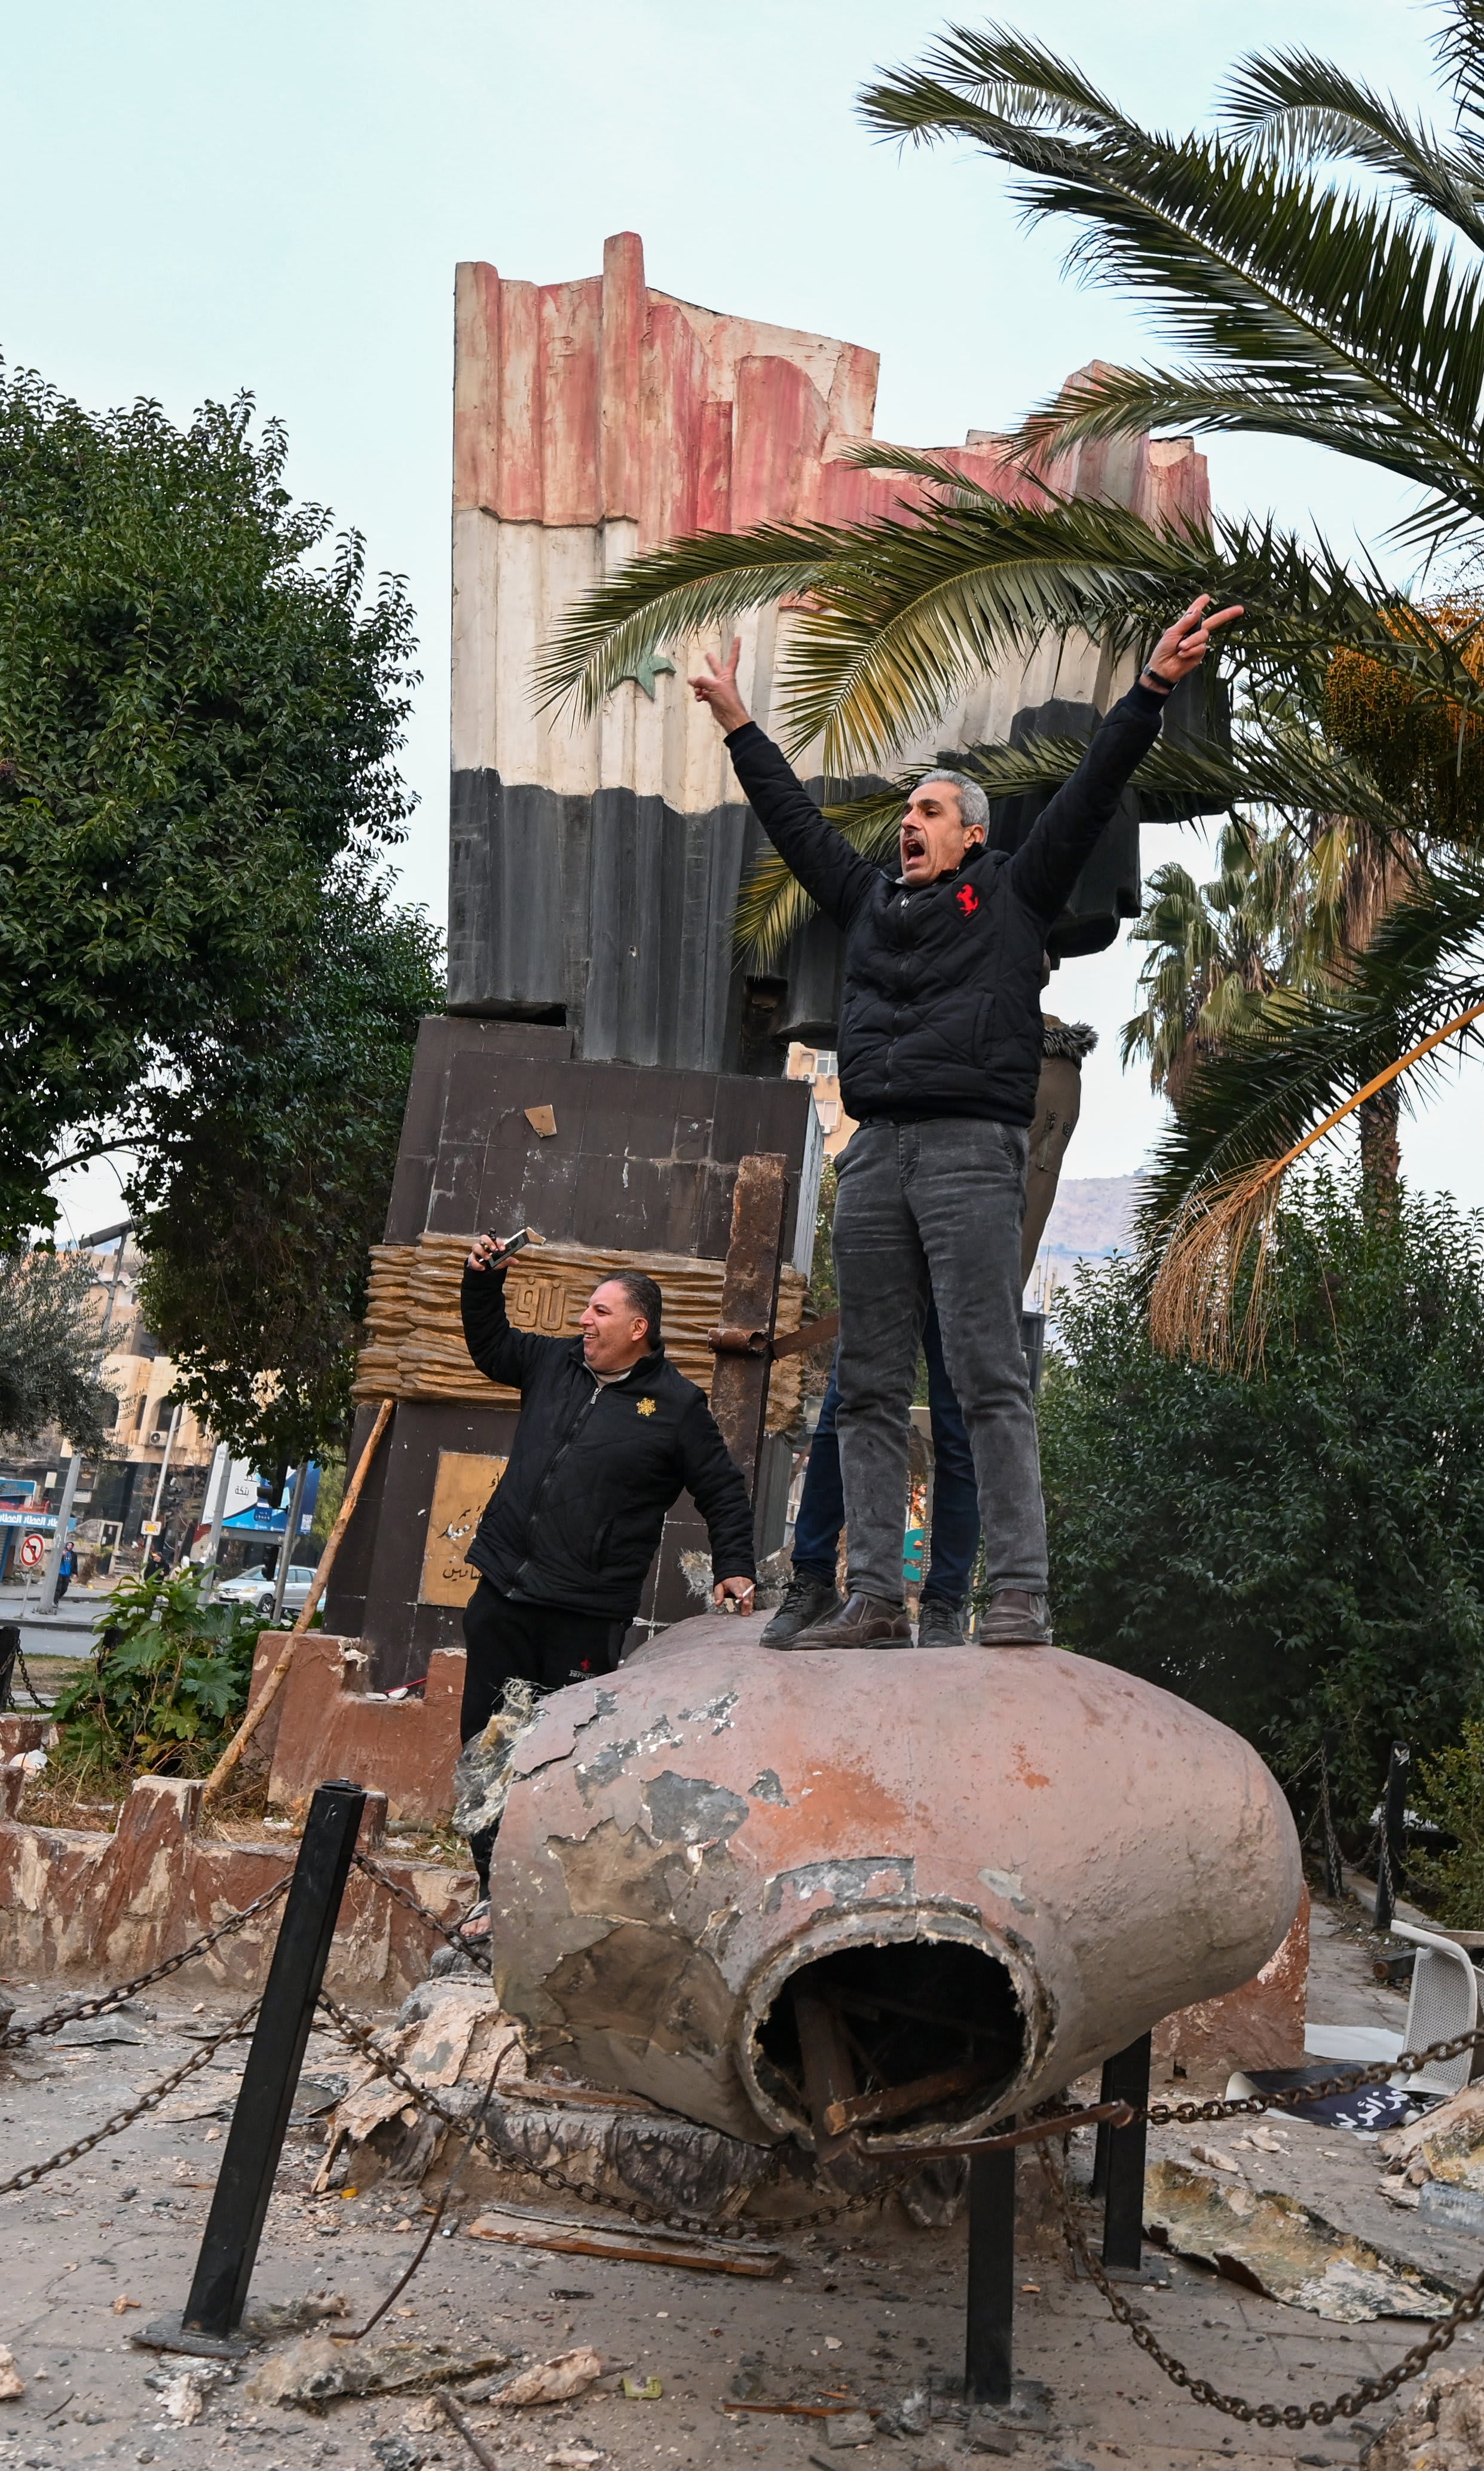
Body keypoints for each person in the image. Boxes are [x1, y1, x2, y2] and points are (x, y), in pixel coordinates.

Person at [692, 594, 1241, 1649]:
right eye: (907, 809)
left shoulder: (1016, 893)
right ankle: (871, 1596)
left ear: (974, 834)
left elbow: (1088, 794)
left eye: (933, 809)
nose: (911, 819)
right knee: (863, 1387)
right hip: (877, 1156)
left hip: (968, 1157)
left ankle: (1020, 1592)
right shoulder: (866, 901)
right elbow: (795, 822)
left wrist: (1152, 690)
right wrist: (736, 722)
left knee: (986, 1376)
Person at [455, 1238, 757, 1881]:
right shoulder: (553, 1364)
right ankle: (491, 1891)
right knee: (487, 1751)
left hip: (583, 1615)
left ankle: (545, 1890)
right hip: (502, 1597)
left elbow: (723, 1491)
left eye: (598, 1311)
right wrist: (481, 1280)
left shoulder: (675, 1407)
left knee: (562, 1758)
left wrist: (735, 1565)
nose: (583, 1322)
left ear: (636, 1327)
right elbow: (490, 1344)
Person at [762, 1307, 976, 1649]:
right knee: (843, 1409)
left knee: (958, 1425)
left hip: (957, 1262)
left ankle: (944, 1602)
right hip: (882, 1259)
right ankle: (814, 1579)